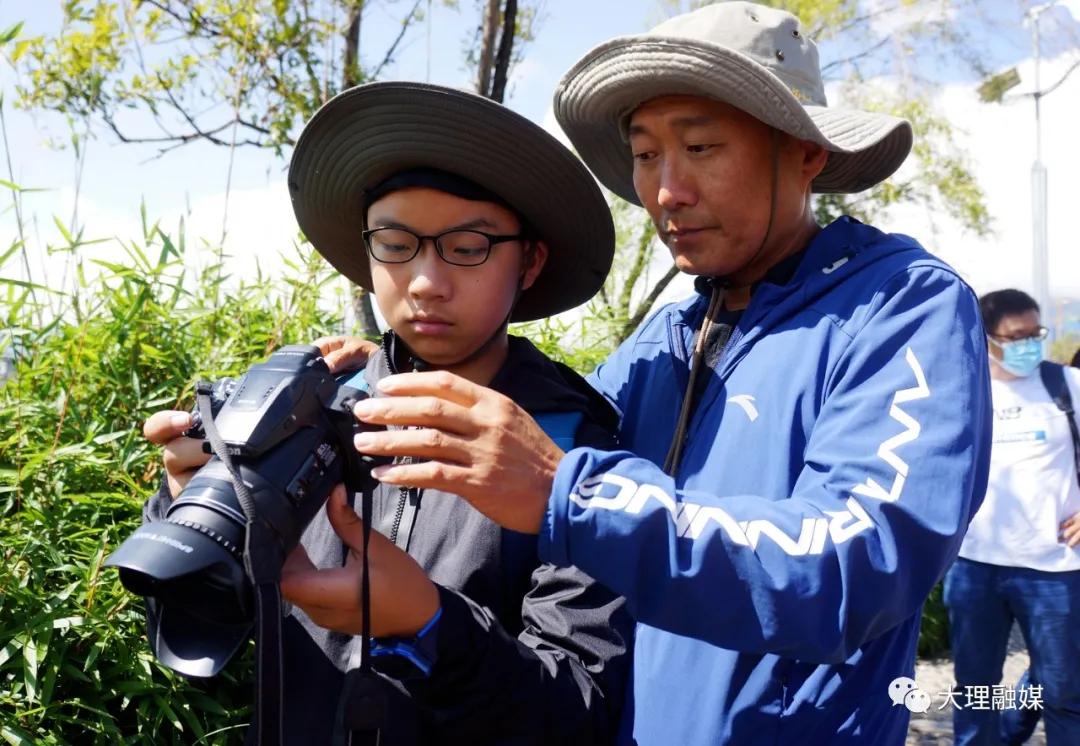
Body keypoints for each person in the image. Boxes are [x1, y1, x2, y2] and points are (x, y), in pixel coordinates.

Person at [335, 4, 992, 745]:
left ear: (805, 152)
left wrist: (569, 495)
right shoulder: (662, 341)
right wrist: (384, 370)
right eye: (645, 154)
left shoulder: (901, 308)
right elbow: (542, 428)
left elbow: (854, 568)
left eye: (701, 146)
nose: (666, 190)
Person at [140, 81, 632, 745]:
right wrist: (189, 508)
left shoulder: (572, 451)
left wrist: (429, 623)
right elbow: (201, 643)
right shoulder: (306, 407)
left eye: (469, 246)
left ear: (531, 261)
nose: (426, 282)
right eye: (396, 244)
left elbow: (579, 710)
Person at [943, 288, 1080, 746]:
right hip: (974, 568)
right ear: (987, 340)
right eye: (1016, 337)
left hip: (1055, 568)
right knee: (975, 690)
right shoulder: (963, 391)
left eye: (1035, 334)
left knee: (1064, 692)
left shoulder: (1067, 385)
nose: (1029, 345)